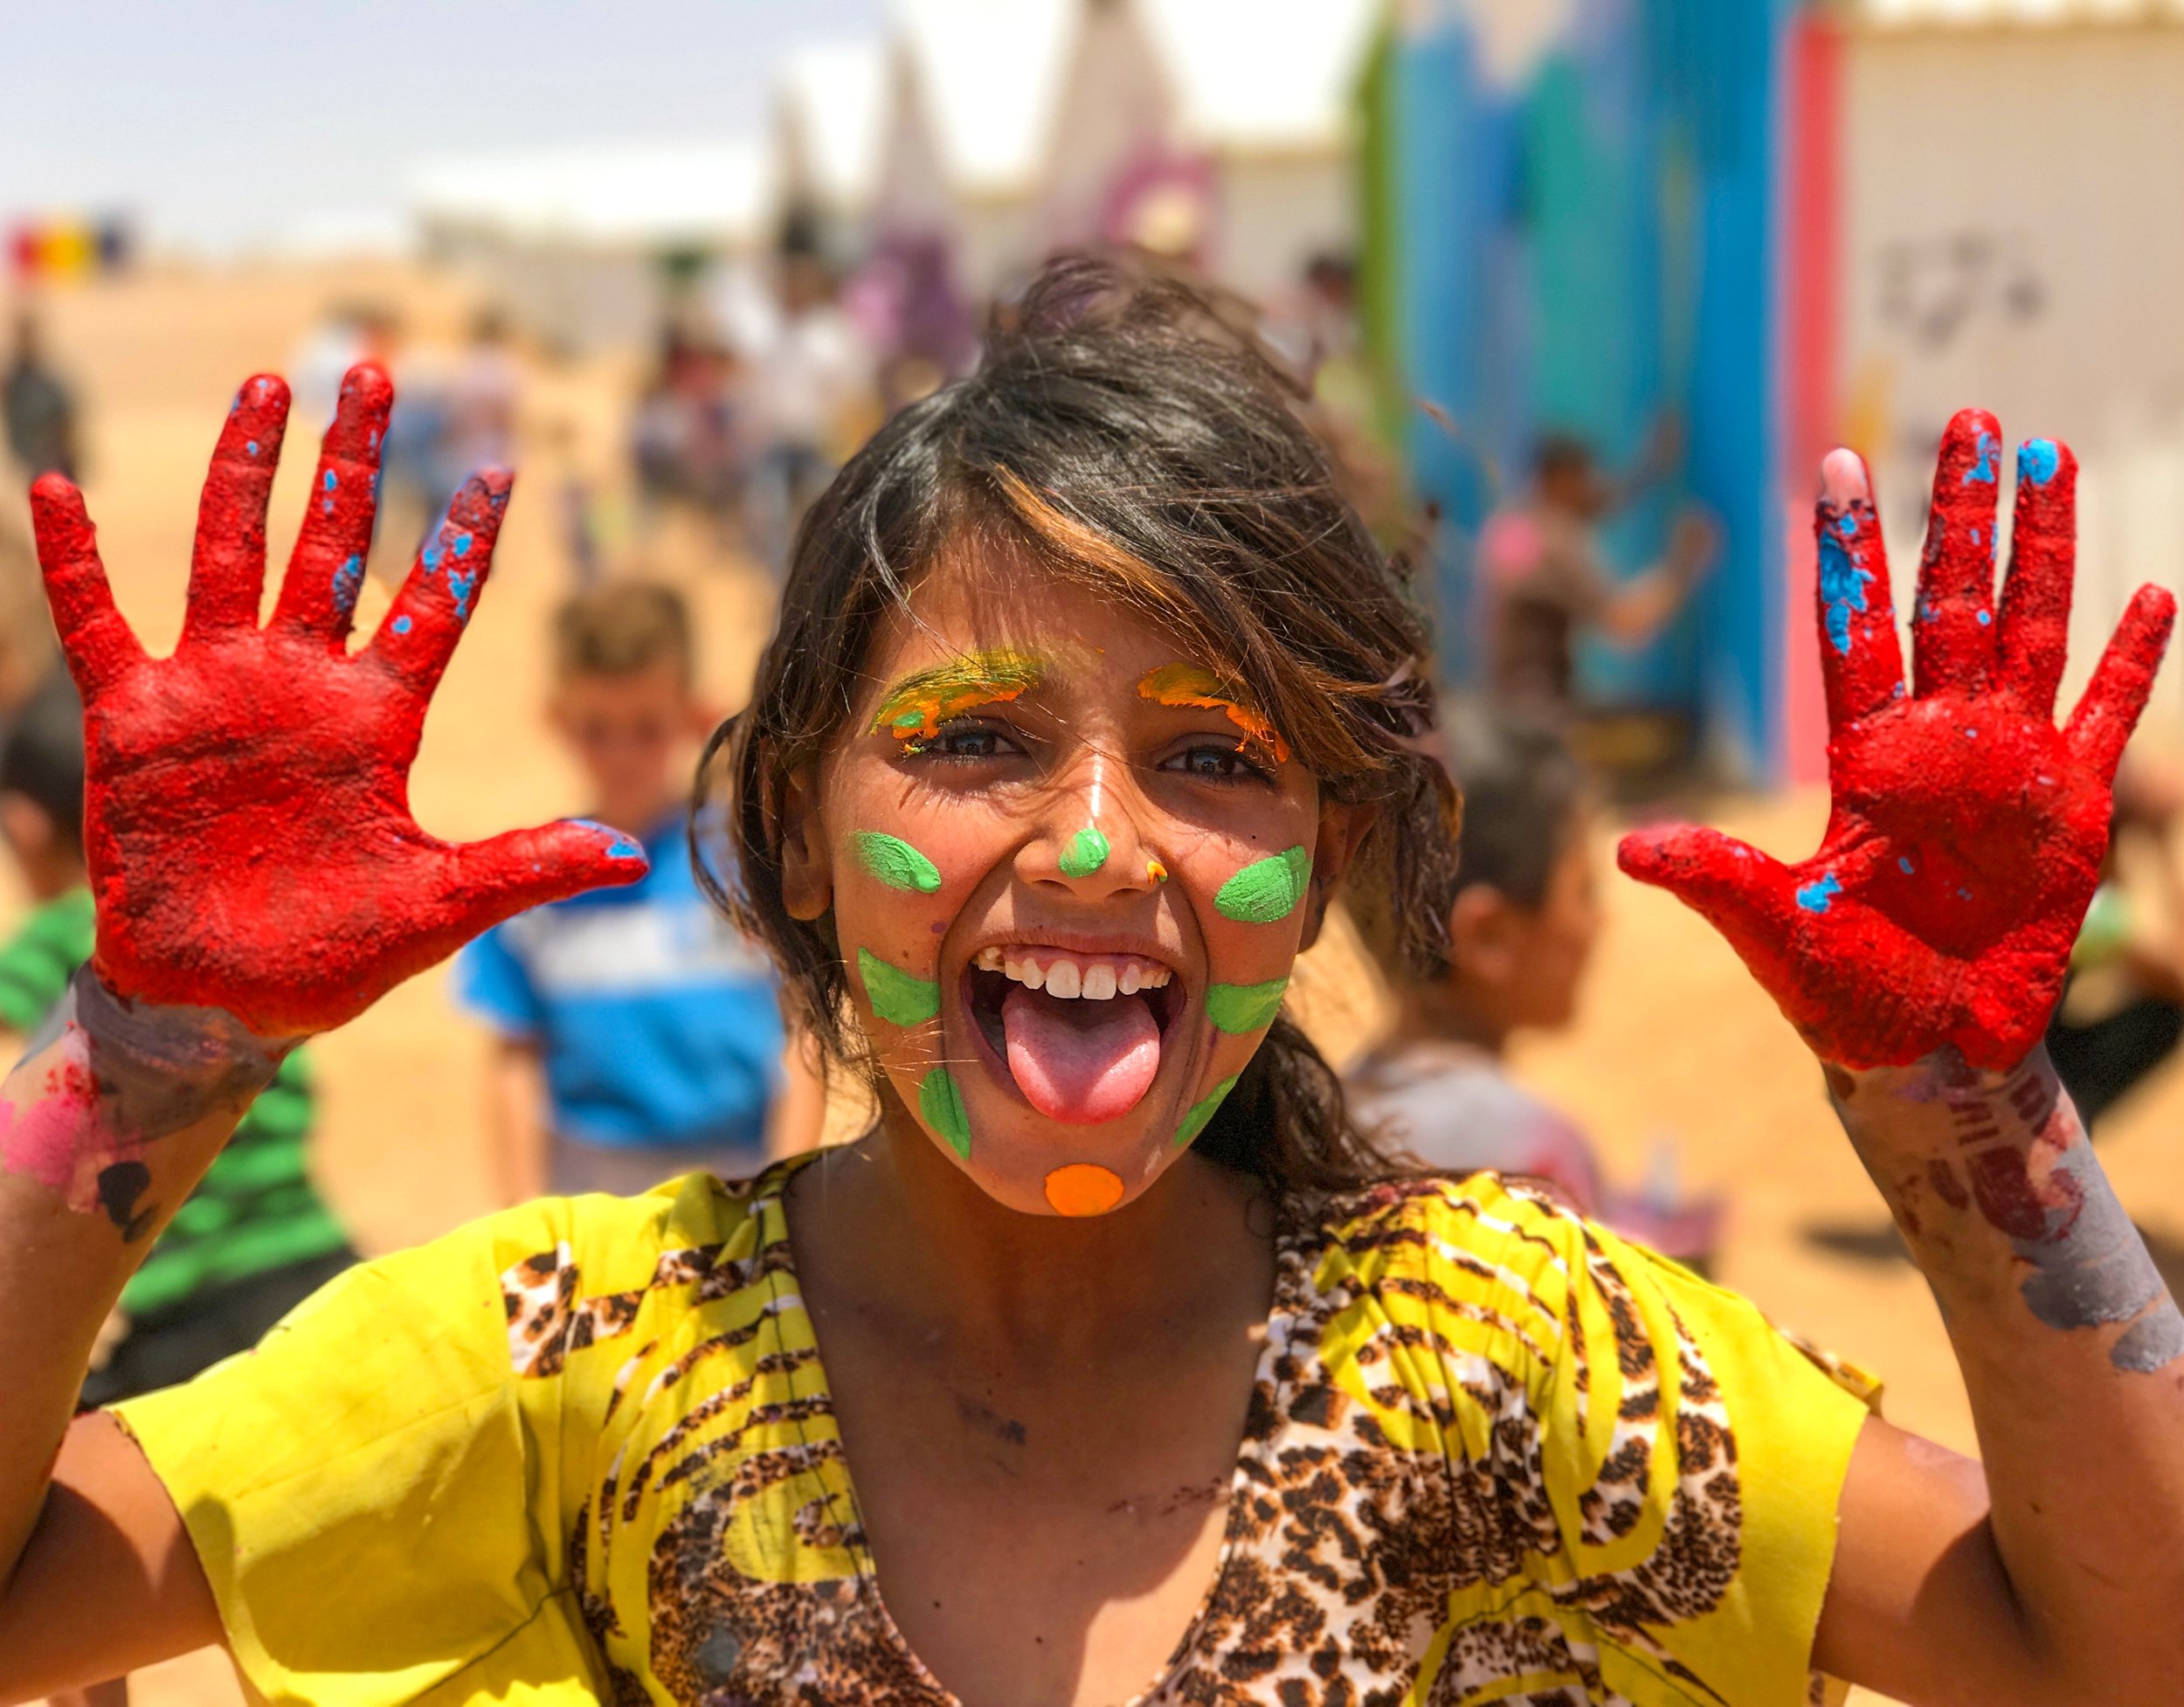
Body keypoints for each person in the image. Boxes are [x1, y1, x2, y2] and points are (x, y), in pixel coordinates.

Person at [3, 265, 2182, 1707]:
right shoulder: (562, 1361)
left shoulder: (1504, 1346)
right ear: (776, 829)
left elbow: (2122, 1650)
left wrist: (1974, 1120)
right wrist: (139, 1065)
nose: (1094, 845)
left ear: (1324, 857)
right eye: (970, 739)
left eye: (1220, 758)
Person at [454, 577, 817, 1202]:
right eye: (597, 729)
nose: (622, 754)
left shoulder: (749, 868)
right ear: (558, 719)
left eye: (647, 728)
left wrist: (788, 1186)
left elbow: (803, 1033)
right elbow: (514, 1063)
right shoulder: (530, 886)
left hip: (743, 1179)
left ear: (693, 716)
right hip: (590, 1193)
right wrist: (520, 1223)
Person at [1347, 710, 1721, 1261]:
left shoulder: (1330, 1111)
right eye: (1584, 890)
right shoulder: (1533, 1154)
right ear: (1490, 938)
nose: (1599, 923)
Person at [1481, 426, 1715, 718]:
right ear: (1559, 481)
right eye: (1583, 478)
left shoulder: (1514, 526)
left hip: (1506, 700)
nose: (1592, 486)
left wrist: (1650, 467)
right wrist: (1684, 563)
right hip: (1538, 716)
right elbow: (1625, 622)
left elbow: (1596, 506)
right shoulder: (1556, 544)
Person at [2, 309, 78, 486]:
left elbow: (65, 418)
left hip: (51, 459)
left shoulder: (49, 380)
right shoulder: (12, 378)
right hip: (25, 459)